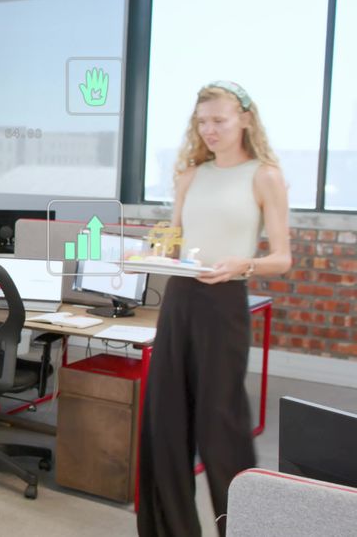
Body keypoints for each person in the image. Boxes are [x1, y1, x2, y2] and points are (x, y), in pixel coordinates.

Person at [138, 81, 292, 536]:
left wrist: (245, 263)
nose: (209, 129)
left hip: (224, 304)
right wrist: (156, 251)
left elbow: (282, 258)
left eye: (219, 120)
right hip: (180, 299)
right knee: (165, 423)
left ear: (245, 118)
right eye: (202, 122)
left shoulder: (264, 175)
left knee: (221, 429)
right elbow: (176, 239)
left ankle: (241, 528)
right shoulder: (190, 174)